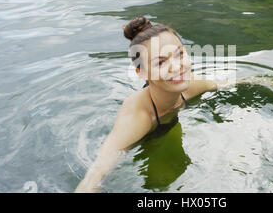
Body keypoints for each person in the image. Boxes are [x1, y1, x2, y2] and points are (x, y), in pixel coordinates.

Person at [74, 16, 221, 192]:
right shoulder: (137, 117)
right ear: (141, 72)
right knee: (162, 182)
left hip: (168, 118)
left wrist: (261, 81)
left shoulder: (191, 86)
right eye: (161, 62)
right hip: (150, 134)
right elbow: (97, 171)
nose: (176, 67)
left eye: (180, 54)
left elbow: (225, 84)